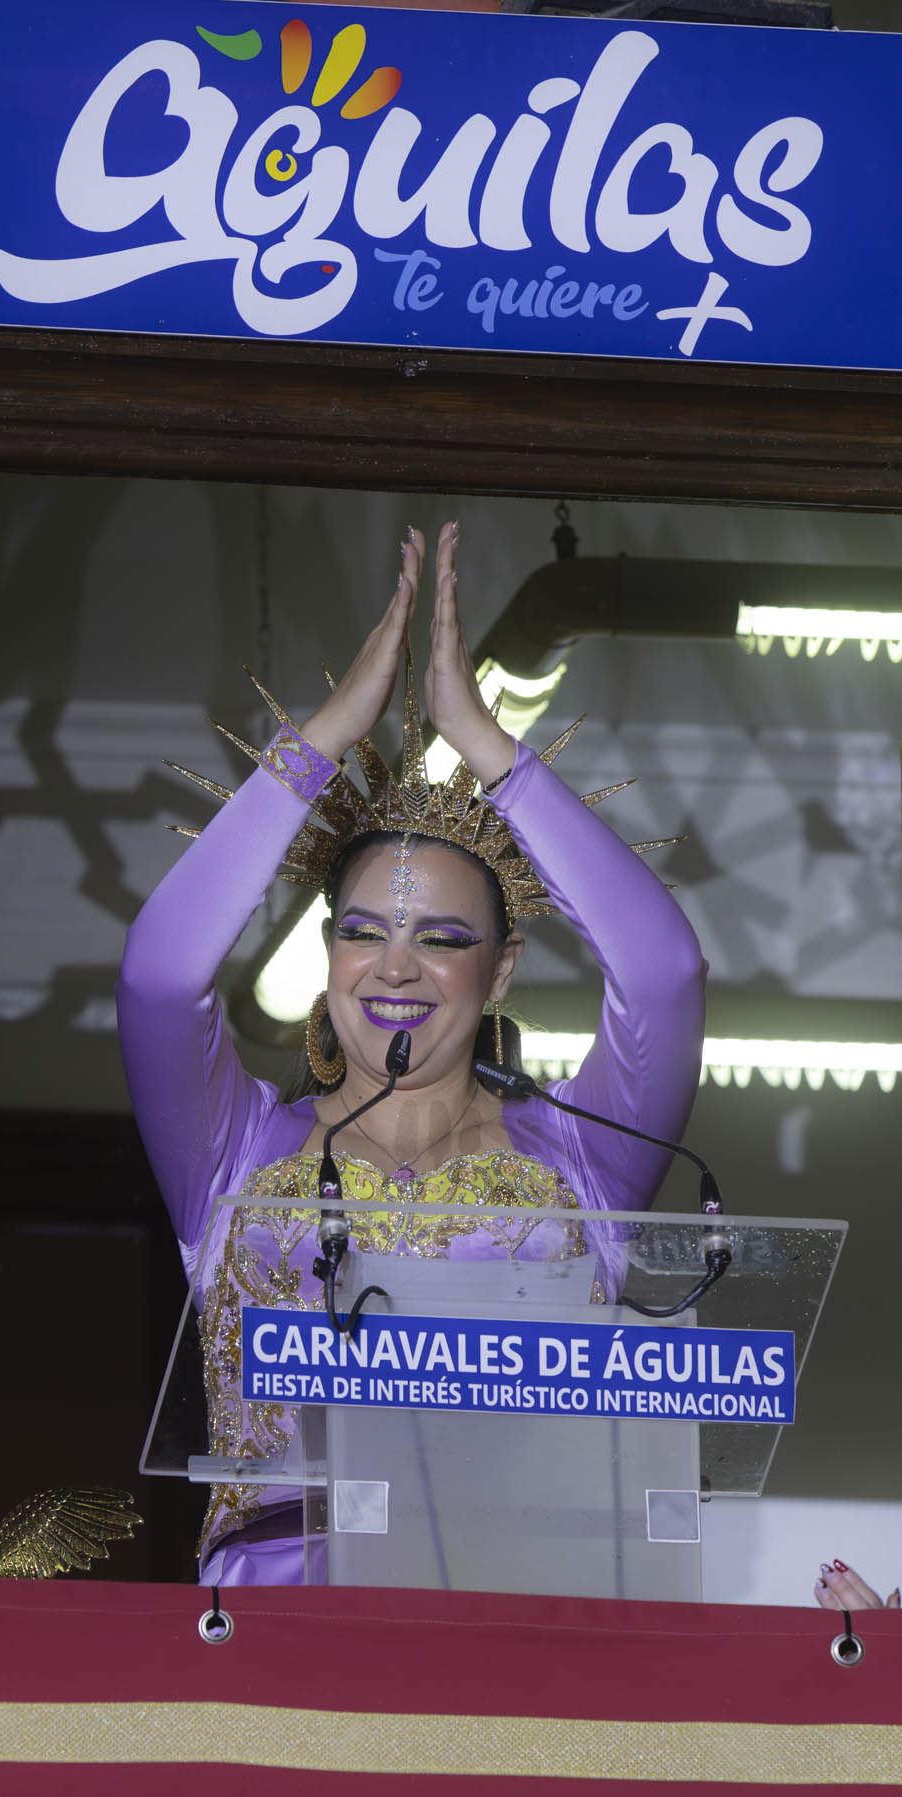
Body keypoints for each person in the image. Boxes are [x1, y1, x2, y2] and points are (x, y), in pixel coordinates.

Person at [118, 522, 706, 1586]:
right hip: (280, 1617)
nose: (395, 967)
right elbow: (161, 979)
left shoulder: (584, 1157)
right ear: (328, 953)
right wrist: (320, 740)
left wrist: (485, 743)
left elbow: (663, 974)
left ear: (500, 970)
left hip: (516, 1602)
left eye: (441, 939)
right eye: (362, 933)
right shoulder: (234, 1152)